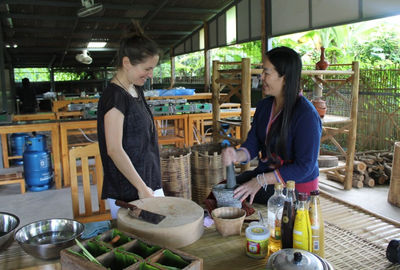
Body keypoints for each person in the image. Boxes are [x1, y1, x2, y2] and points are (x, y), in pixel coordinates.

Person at [222, 46, 322, 205]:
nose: (261, 77)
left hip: (295, 187)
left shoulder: (306, 115)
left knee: (232, 197)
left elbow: (305, 167)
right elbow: (253, 144)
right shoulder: (264, 106)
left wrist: (260, 180)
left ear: (285, 78)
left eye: (266, 73)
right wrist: (236, 155)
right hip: (268, 176)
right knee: (221, 189)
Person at [97, 23, 163, 219]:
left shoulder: (135, 89)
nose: (150, 75)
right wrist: (142, 189)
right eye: (147, 68)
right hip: (129, 190)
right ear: (127, 63)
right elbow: (114, 150)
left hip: (148, 182)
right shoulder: (115, 97)